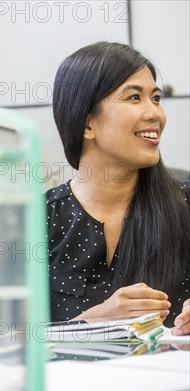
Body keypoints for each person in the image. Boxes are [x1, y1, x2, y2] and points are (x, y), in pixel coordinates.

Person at [46, 41, 190, 335]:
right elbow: (1, 342)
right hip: (72, 381)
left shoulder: (185, 204)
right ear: (87, 124)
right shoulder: (37, 220)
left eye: (157, 98)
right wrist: (92, 322)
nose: (155, 115)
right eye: (134, 97)